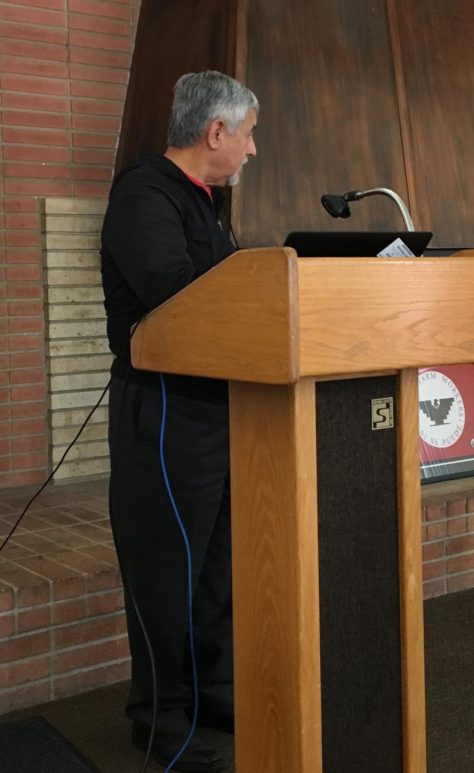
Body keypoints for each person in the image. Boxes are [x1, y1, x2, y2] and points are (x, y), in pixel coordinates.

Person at [101, 70, 258, 771]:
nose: (252, 151)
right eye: (248, 135)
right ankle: (160, 716)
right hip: (165, 410)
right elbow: (174, 292)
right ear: (215, 132)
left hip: (220, 409)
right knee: (168, 569)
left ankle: (209, 690)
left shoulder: (203, 202)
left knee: (216, 567)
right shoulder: (144, 193)